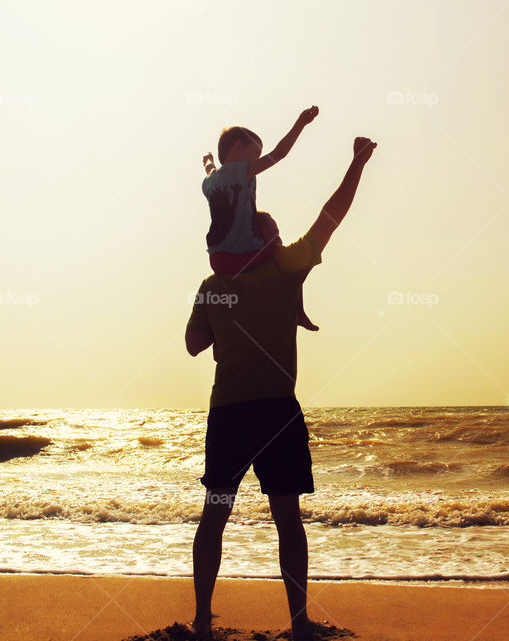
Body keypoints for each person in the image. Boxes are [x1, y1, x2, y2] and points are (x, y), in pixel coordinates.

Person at [185, 136, 378, 641]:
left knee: (216, 515)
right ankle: (298, 625)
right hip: (276, 412)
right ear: (268, 238)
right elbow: (332, 215)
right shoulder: (288, 268)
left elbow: (192, 344)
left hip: (228, 412)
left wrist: (222, 330)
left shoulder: (211, 287)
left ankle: (203, 623)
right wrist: (356, 162)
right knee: (287, 519)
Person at [201, 106, 320, 331]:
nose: (257, 159)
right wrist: (301, 123)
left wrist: (208, 161)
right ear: (238, 147)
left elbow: (209, 169)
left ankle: (218, 334)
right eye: (255, 153)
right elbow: (279, 154)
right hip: (244, 254)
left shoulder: (210, 182)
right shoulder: (242, 171)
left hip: (217, 259)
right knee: (286, 256)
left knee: (262, 221)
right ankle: (298, 311)